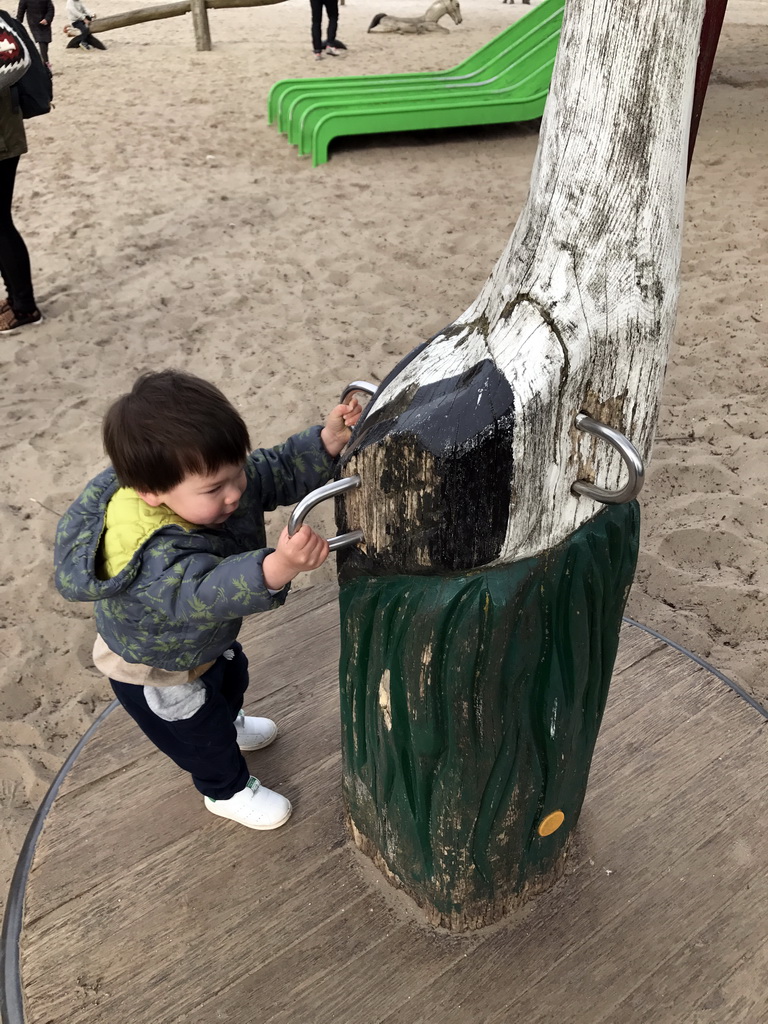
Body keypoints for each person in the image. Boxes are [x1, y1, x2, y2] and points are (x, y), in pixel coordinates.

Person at [54, 369, 362, 831]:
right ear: (151, 494)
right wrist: (279, 565)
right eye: (216, 488)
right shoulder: (152, 553)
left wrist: (325, 442)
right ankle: (226, 791)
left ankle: (231, 721)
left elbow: (269, 470)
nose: (235, 492)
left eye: (234, 472)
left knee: (230, 677)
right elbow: (205, 591)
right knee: (199, 733)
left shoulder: (198, 481)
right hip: (158, 665)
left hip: (200, 643)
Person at [0, 19, 43, 334]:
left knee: (0, 223)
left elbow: (17, 61)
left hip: (1, 137)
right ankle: (15, 298)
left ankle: (25, 308)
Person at [16, 0, 54, 68]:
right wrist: (18, 22)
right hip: (34, 22)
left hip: (45, 22)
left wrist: (47, 19)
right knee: (41, 40)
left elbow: (51, 9)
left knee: (46, 41)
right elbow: (21, 9)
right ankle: (45, 62)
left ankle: (43, 60)